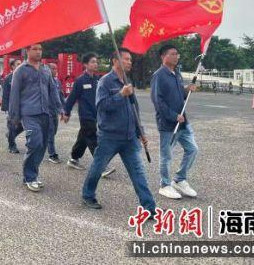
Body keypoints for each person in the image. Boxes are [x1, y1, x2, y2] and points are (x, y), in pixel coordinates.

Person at [81, 48, 155, 216]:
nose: (130, 62)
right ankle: (88, 195)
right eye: (126, 59)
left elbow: (134, 108)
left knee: (138, 172)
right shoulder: (105, 82)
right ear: (115, 61)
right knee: (97, 168)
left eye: (130, 59)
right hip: (109, 137)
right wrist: (120, 95)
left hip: (129, 138)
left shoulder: (128, 81)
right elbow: (101, 107)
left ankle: (149, 207)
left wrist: (140, 131)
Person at [9, 44, 63, 192]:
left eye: (40, 49)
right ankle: (30, 177)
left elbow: (53, 91)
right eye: (35, 49)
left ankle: (32, 174)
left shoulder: (46, 69)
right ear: (27, 51)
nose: (38, 52)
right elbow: (14, 94)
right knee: (35, 142)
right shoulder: (20, 71)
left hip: (46, 113)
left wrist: (60, 108)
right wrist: (14, 116)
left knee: (43, 145)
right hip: (29, 113)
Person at [150, 44, 199, 200]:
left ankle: (179, 179)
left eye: (177, 54)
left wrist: (187, 90)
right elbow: (158, 101)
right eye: (173, 54)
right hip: (168, 124)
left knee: (192, 149)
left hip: (183, 122)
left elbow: (179, 95)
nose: (177, 56)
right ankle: (164, 185)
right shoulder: (159, 75)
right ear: (163, 56)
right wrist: (173, 115)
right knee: (166, 155)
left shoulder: (176, 73)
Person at [63, 53, 116, 177]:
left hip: (97, 114)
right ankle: (101, 166)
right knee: (92, 139)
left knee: (83, 138)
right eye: (92, 62)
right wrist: (66, 112)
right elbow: (72, 98)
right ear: (85, 65)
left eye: (96, 62)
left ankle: (73, 158)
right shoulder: (80, 80)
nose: (95, 64)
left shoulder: (98, 80)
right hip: (86, 115)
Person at [1, 59, 23, 153]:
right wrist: (6, 107)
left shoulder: (24, 77)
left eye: (21, 64)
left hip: (23, 105)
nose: (20, 65)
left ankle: (10, 135)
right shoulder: (8, 78)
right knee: (12, 125)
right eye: (18, 64)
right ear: (13, 66)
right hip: (12, 106)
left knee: (23, 125)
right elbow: (5, 94)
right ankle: (12, 146)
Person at [46, 62, 65, 164]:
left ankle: (45, 144)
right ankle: (52, 154)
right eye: (53, 69)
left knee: (53, 132)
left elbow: (60, 96)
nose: (55, 71)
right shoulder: (44, 82)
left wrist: (63, 109)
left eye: (56, 69)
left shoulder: (57, 81)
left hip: (55, 111)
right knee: (50, 132)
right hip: (46, 111)